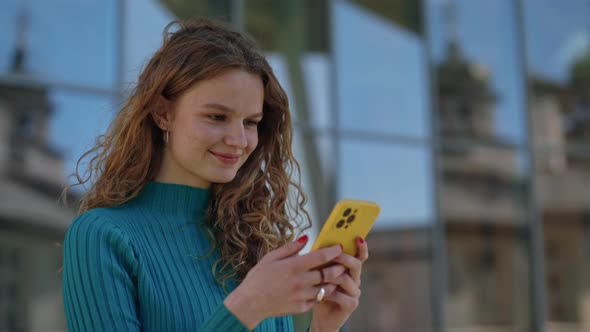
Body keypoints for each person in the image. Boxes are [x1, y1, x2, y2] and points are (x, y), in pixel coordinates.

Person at [62, 18, 368, 332]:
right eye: (217, 116)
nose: (238, 140)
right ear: (162, 113)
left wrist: (324, 326)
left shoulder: (252, 243)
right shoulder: (102, 236)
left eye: (250, 122)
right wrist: (248, 306)